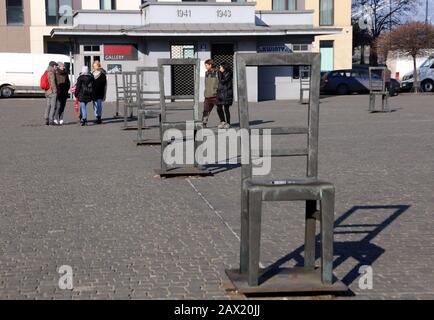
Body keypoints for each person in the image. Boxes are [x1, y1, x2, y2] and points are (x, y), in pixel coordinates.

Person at [202, 59, 219, 128]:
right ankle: (203, 124)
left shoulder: (217, 72)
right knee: (205, 111)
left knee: (220, 110)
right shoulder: (206, 73)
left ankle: (224, 122)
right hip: (207, 95)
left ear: (210, 65)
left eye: (206, 65)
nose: (205, 67)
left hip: (215, 95)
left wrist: (217, 91)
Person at [216, 62, 233, 129]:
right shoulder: (221, 73)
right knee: (218, 108)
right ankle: (222, 121)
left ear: (224, 67)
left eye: (220, 67)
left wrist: (219, 73)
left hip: (227, 93)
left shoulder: (229, 73)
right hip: (220, 93)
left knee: (226, 108)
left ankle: (228, 123)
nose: (219, 68)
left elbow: (222, 81)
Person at [43, 61, 58, 126]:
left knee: (48, 106)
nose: (56, 67)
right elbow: (52, 83)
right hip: (52, 92)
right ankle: (51, 120)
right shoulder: (51, 72)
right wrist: (55, 91)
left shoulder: (46, 71)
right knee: (53, 106)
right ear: (53, 66)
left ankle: (46, 119)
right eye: (55, 66)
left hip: (47, 91)